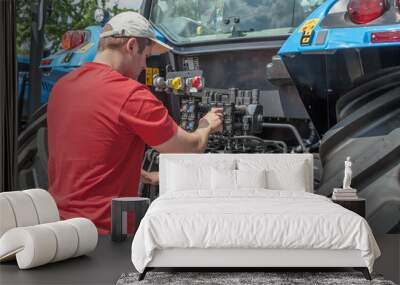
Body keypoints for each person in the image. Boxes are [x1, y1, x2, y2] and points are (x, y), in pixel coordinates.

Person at [47, 11, 223, 234]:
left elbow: (93, 153)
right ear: (131, 46)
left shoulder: (62, 88)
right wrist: (205, 125)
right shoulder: (130, 94)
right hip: (106, 235)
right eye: (145, 56)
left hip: (61, 229)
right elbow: (191, 147)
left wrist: (146, 176)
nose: (144, 66)